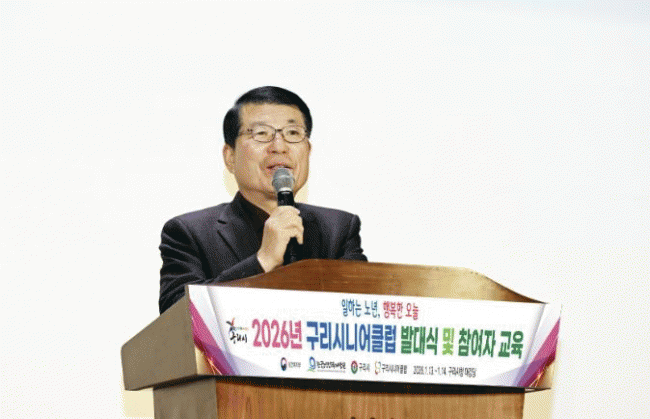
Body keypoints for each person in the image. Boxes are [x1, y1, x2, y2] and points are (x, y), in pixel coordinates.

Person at [158, 86, 367, 313]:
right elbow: (176, 316)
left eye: (293, 133)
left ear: (308, 150)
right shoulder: (189, 233)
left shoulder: (339, 229)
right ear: (230, 157)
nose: (279, 147)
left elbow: (367, 309)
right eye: (261, 133)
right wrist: (263, 261)